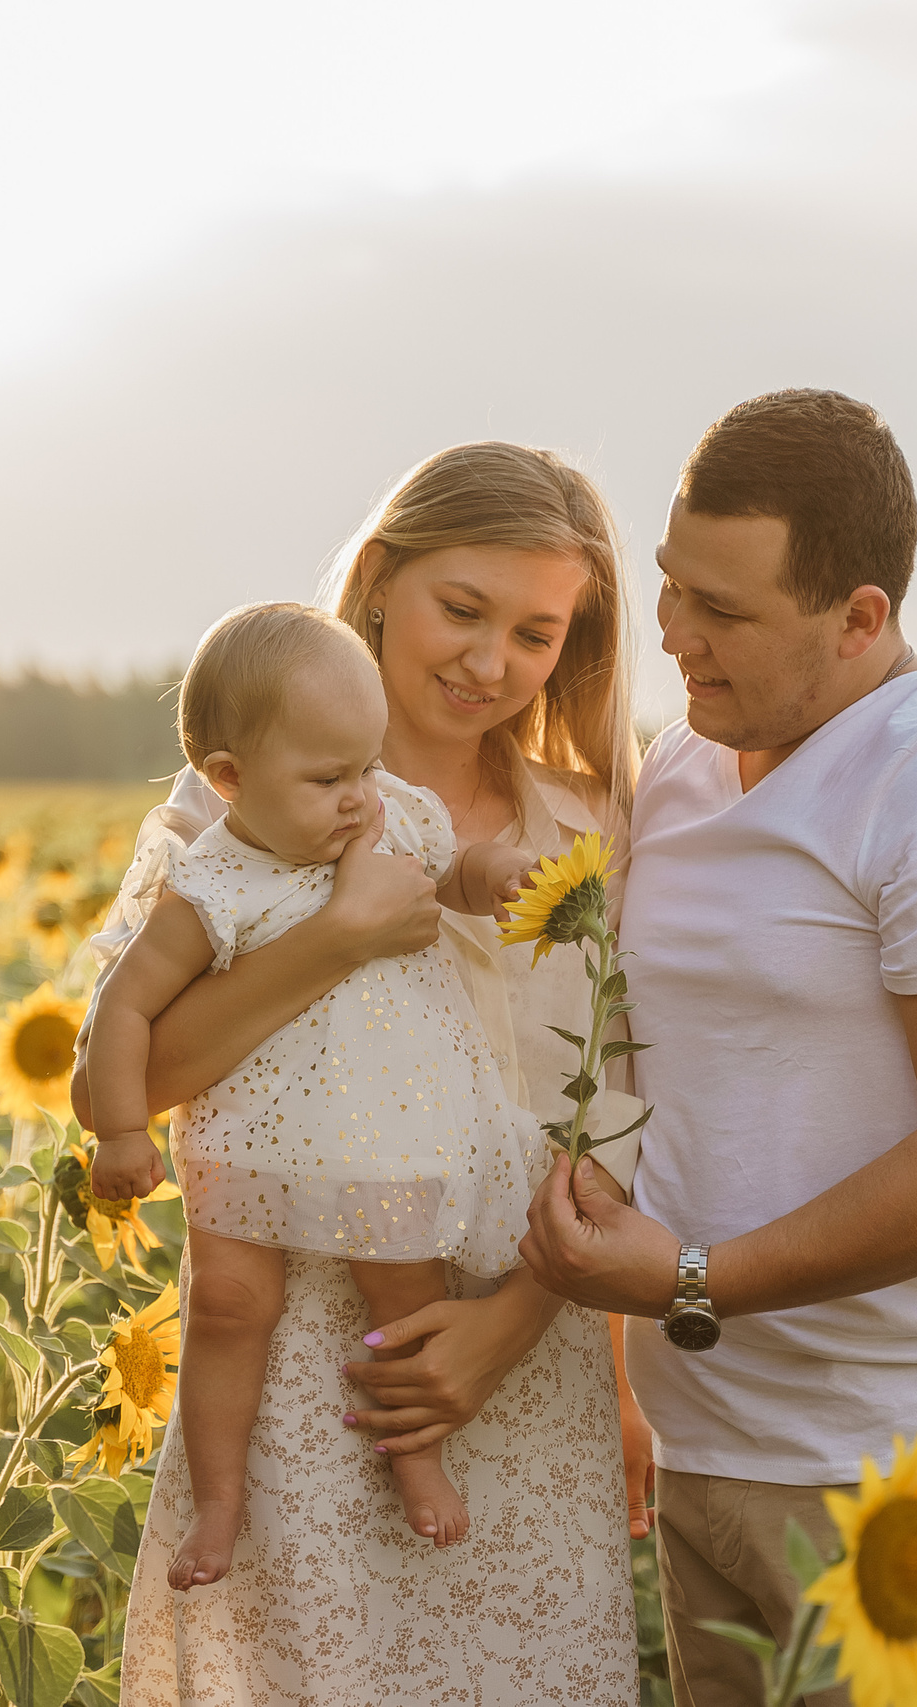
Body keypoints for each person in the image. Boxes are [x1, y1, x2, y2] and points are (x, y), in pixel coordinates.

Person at [520, 389, 917, 1706]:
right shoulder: (685, 760)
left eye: (722, 611)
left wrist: (694, 1279)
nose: (674, 633)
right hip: (717, 1453)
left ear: (858, 619)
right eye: (672, 585)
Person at [81, 443, 648, 1705]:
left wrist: (533, 1336)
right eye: (462, 609)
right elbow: (131, 1069)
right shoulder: (227, 811)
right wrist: (338, 936)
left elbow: (617, 1111)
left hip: (527, 1343)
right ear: (382, 580)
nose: (490, 662)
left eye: (536, 634)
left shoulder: (589, 828)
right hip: (303, 1363)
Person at [84, 600, 578, 1581]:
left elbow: (452, 871)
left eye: (367, 766)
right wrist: (122, 1134)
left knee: (405, 1296)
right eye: (326, 779)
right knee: (227, 1308)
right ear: (228, 779)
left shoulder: (393, 818)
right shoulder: (212, 884)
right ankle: (218, 1503)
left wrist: (497, 873)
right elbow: (122, 1010)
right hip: (246, 1139)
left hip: (382, 1131)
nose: (359, 798)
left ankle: (417, 1457)